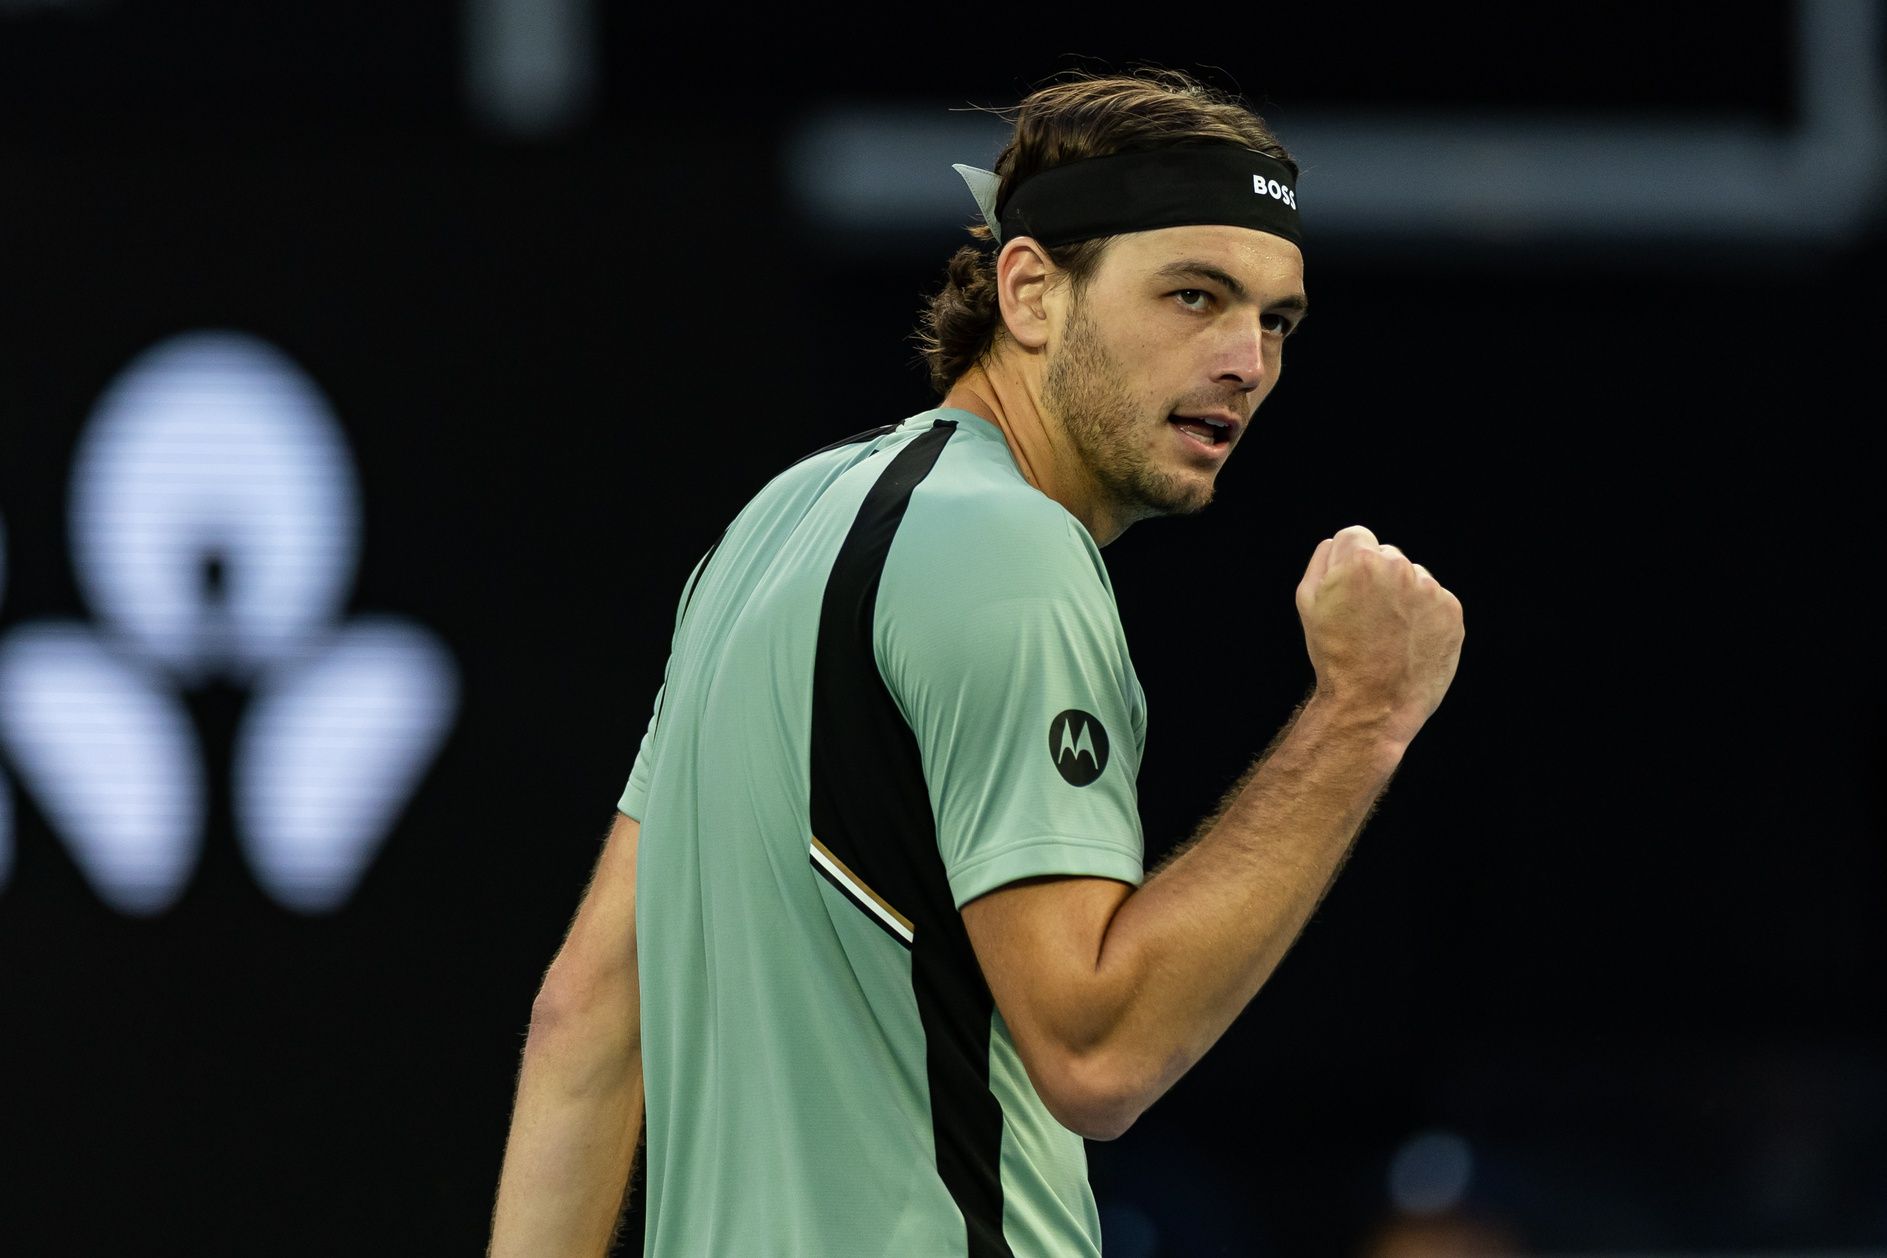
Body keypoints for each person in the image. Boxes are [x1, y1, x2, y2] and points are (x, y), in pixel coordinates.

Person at [489, 69, 1464, 1257]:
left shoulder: (773, 525)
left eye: (1275, 321)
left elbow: (583, 1015)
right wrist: (1364, 712)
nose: (1246, 361)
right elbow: (1097, 1053)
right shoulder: (1012, 553)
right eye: (1194, 297)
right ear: (1032, 290)